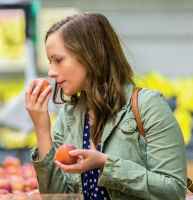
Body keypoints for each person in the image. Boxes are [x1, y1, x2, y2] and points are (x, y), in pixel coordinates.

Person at [25, 12, 187, 200]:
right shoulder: (69, 117)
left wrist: (105, 164)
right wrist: (42, 129)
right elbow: (58, 198)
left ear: (89, 55)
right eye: (50, 62)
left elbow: (174, 191)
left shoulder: (148, 106)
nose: (51, 72)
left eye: (58, 60)